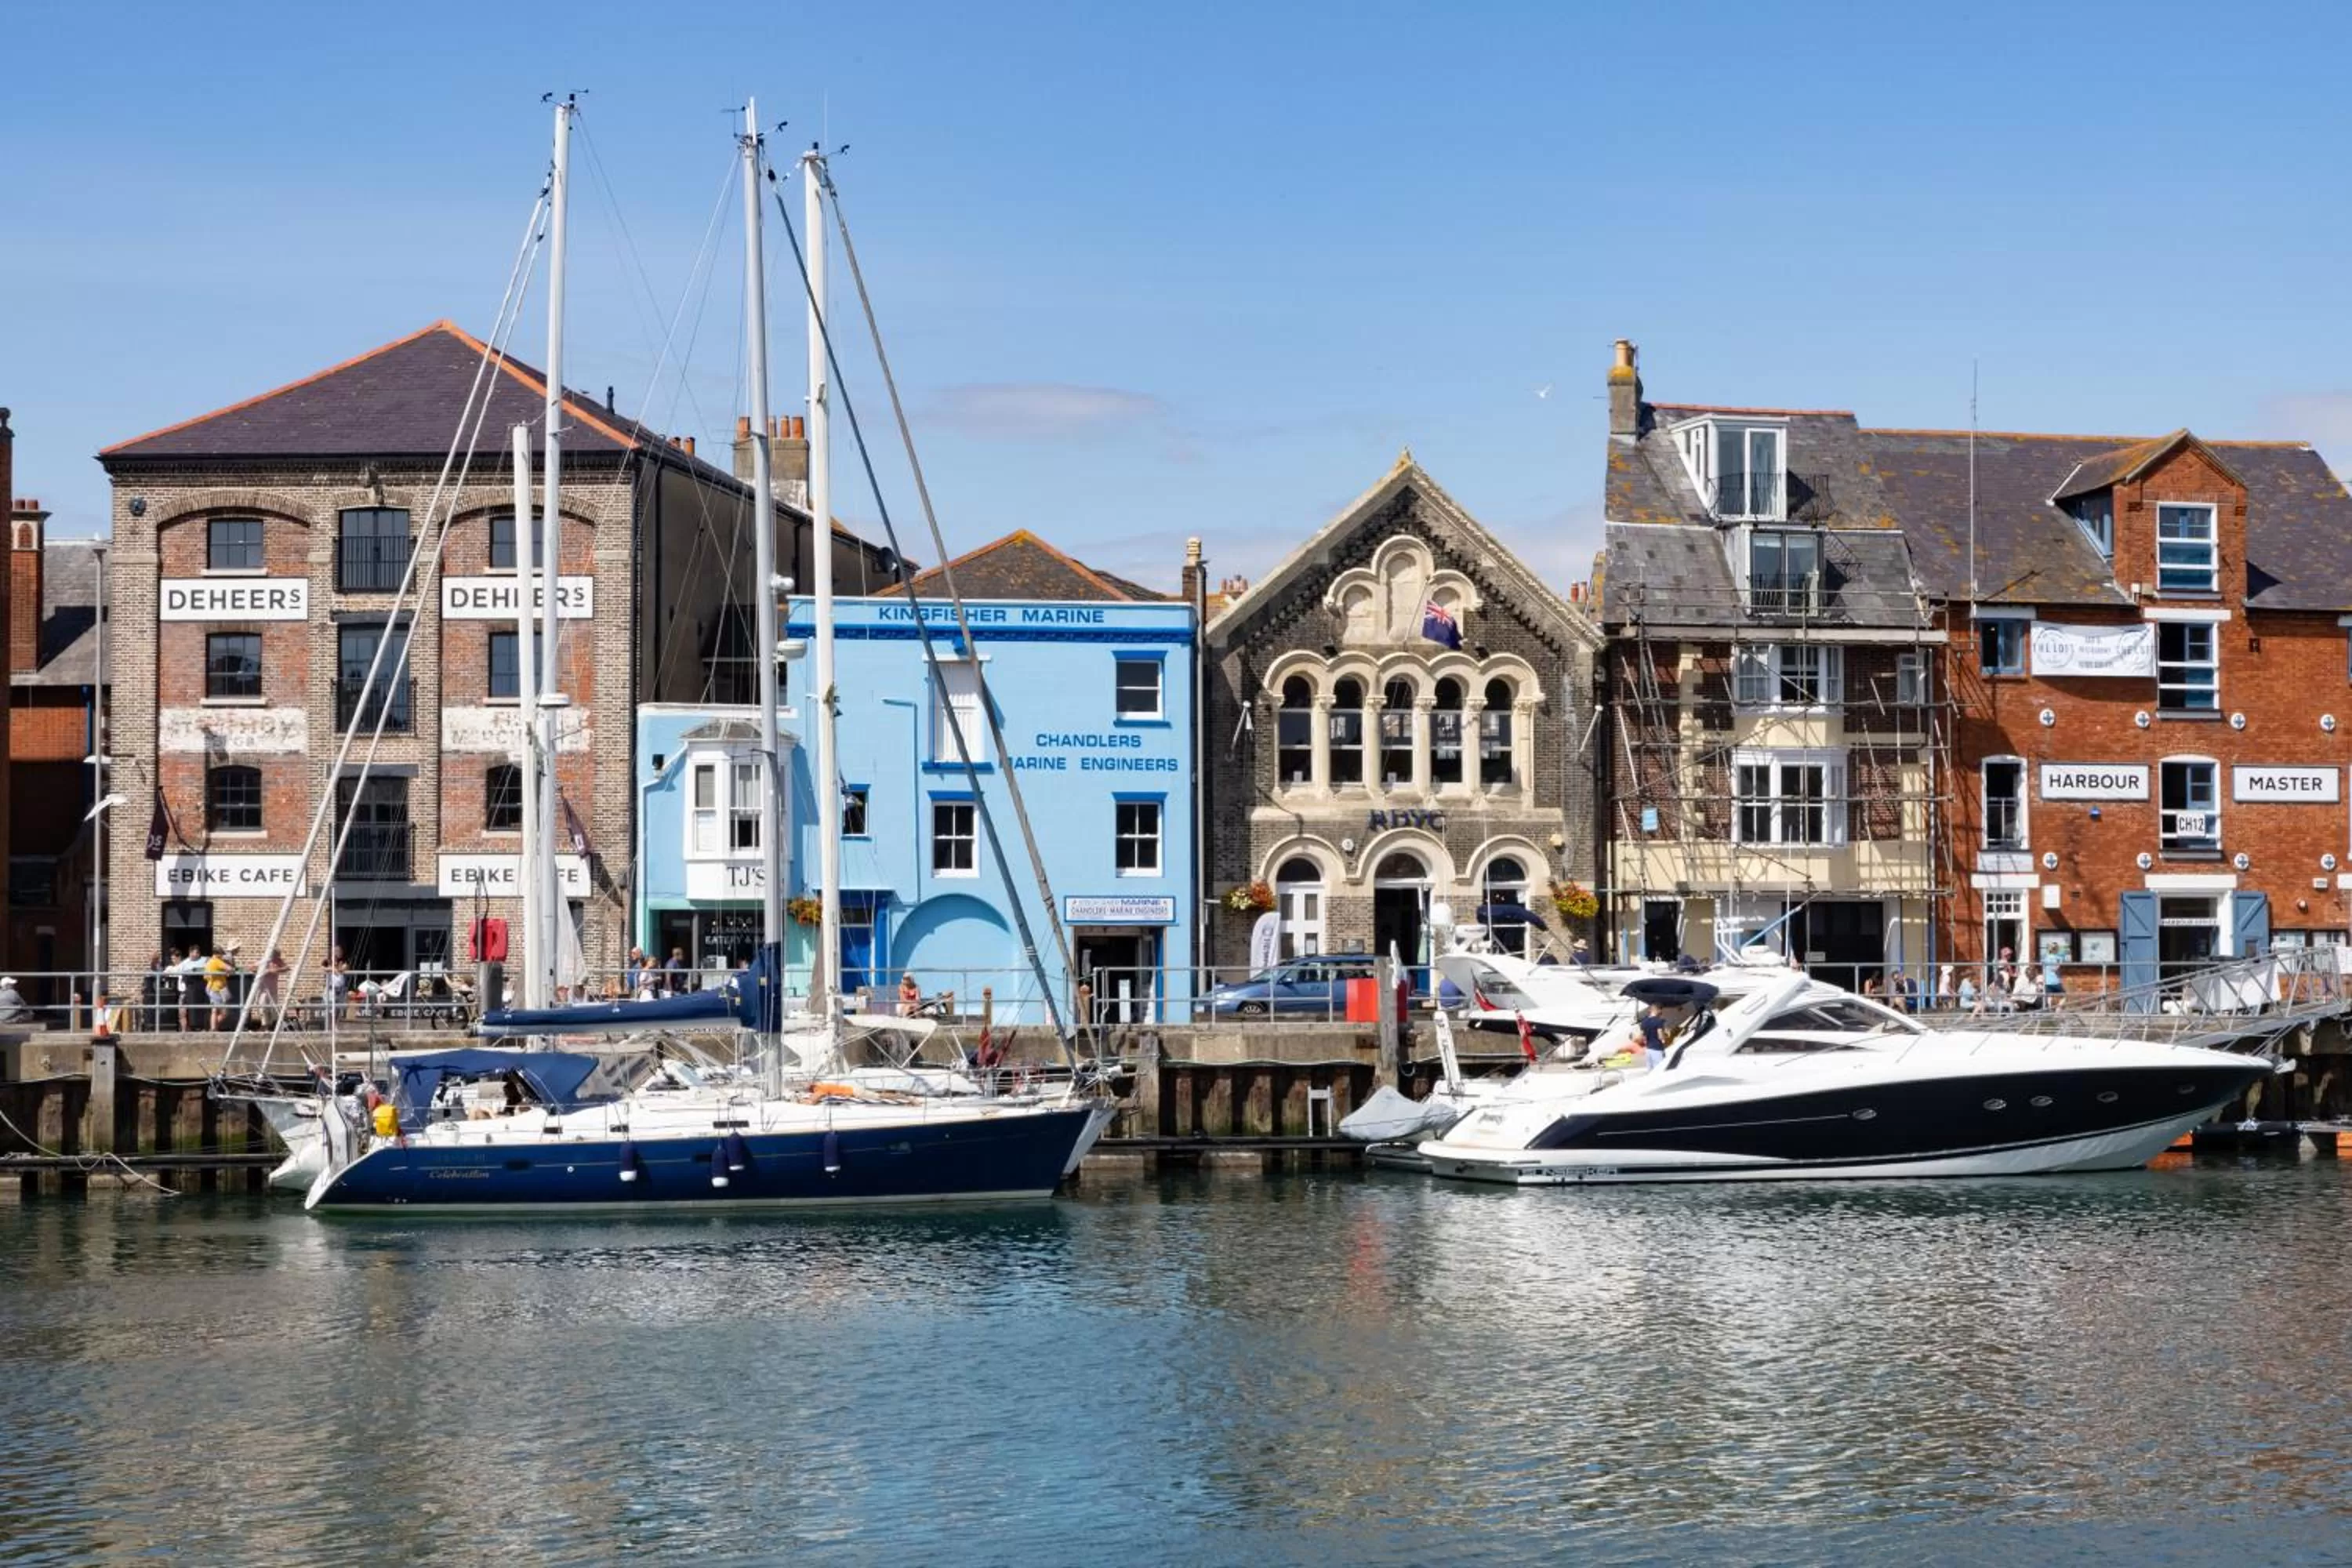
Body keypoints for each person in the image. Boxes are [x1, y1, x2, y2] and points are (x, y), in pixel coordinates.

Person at [252, 948, 287, 1027]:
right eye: (277, 955)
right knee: (263, 1007)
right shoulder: (265, 961)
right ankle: (264, 1025)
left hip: (273, 990)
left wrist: (277, 970)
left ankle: (271, 1026)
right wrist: (265, 970)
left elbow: (287, 968)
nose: (278, 957)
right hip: (263, 990)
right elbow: (252, 968)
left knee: (273, 1009)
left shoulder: (279, 961)